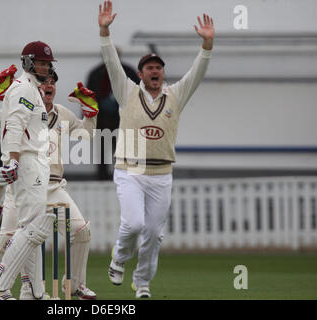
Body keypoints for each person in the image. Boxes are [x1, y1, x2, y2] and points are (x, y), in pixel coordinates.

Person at [98, 0, 214, 298]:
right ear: (140, 73)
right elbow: (112, 64)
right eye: (150, 67)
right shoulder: (127, 92)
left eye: (159, 68)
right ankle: (119, 258)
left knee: (154, 234)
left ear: (163, 73)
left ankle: (143, 282)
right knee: (134, 223)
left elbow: (196, 75)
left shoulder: (175, 95)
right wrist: (105, 32)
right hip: (130, 169)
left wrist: (207, 46)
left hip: (162, 174)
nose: (155, 71)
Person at [0, 70, 99, 300]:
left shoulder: (62, 114)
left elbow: (85, 134)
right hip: (22, 185)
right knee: (9, 237)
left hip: (54, 187)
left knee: (81, 232)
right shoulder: (22, 109)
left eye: (53, 82)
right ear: (36, 86)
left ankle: (75, 286)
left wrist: (90, 115)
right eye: (45, 81)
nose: (49, 85)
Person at [0, 41, 58, 300]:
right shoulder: (25, 88)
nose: (44, 67)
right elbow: (13, 125)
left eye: (47, 63)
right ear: (27, 62)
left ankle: (35, 292)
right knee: (35, 228)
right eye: (40, 62)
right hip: (27, 163)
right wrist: (13, 160)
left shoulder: (30, 90)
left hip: (33, 164)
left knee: (31, 229)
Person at [86, 49, 139, 180]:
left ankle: (124, 177)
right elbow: (86, 96)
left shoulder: (128, 72)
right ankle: (102, 178)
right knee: (102, 150)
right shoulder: (95, 73)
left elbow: (138, 92)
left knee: (123, 150)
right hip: (102, 118)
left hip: (122, 118)